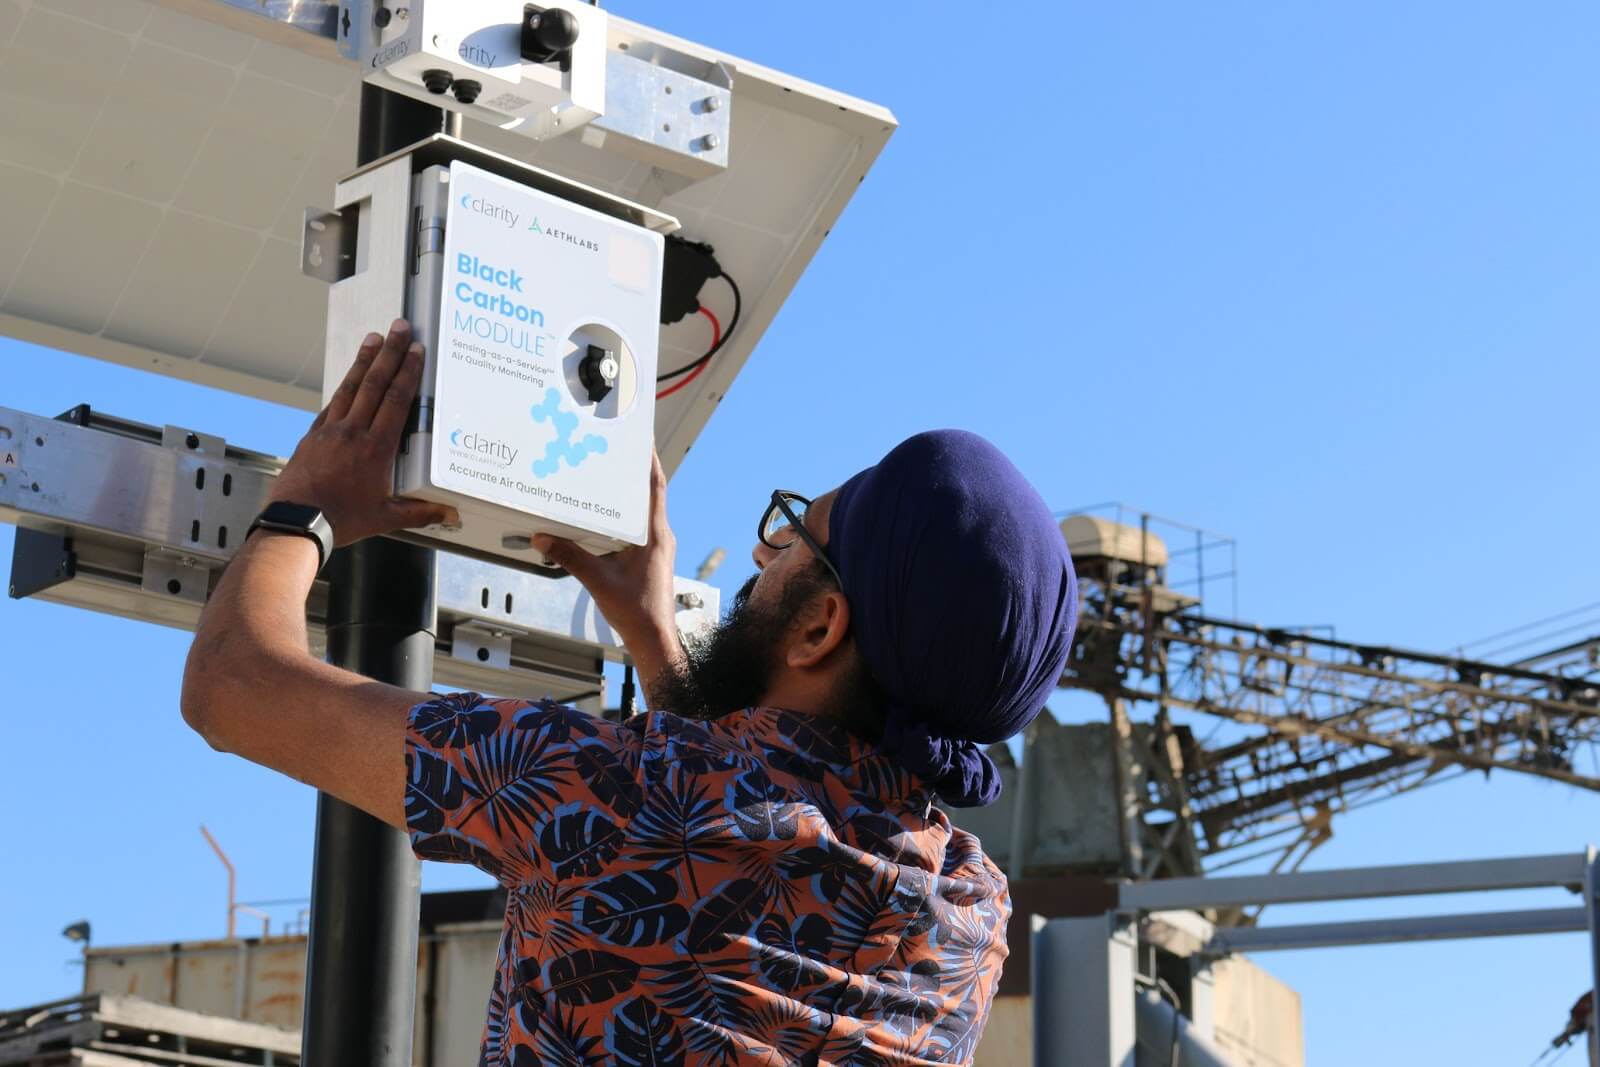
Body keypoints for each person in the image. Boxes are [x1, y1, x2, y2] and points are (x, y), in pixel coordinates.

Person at [181, 321, 1078, 1066]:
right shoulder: (968, 916)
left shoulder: (614, 790)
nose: (762, 557)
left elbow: (233, 686)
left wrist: (306, 507)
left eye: (791, 536)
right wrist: (654, 634)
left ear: (819, 628)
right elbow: (728, 845)